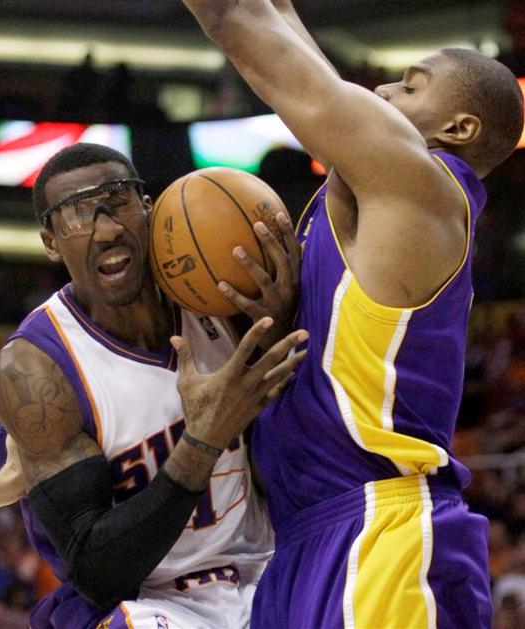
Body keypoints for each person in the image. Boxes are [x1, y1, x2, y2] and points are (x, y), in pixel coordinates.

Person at [180, 1, 524, 627]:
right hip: (304, 539)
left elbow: (238, 16)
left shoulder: (419, 184)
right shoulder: (374, 192)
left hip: (382, 536)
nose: (383, 90)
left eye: (411, 86)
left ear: (459, 127)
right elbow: (281, 21)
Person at [0, 142, 307, 628]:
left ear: (148, 208)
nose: (107, 229)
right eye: (77, 215)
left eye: (118, 202)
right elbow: (96, 571)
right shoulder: (35, 368)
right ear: (50, 241)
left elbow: (295, 457)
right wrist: (201, 441)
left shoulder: (217, 291)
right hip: (150, 601)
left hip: (268, 568)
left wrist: (283, 326)